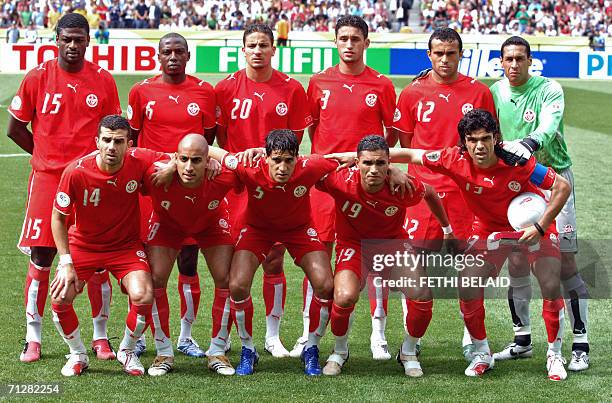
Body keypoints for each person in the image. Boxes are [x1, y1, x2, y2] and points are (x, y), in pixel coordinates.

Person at [388, 109, 571, 380]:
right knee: (468, 282)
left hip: (532, 226)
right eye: (472, 140)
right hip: (488, 230)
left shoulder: (517, 160)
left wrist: (541, 225)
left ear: (496, 138)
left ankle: (554, 354)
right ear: (464, 142)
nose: (479, 146)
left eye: (486, 138)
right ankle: (483, 352)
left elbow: (562, 187)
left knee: (550, 282)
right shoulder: (454, 159)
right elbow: (412, 154)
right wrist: (378, 161)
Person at [7, 13, 121, 363]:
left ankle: (101, 338)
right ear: (56, 39)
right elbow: (15, 127)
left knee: (98, 260)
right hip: (47, 181)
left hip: (90, 182)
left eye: (79, 39)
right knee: (43, 257)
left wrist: (85, 167)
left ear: (89, 41)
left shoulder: (102, 80)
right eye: (66, 39)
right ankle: (33, 337)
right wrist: (46, 156)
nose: (72, 45)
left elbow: (114, 132)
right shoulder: (38, 77)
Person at [391, 27, 497, 360]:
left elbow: (489, 144)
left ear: (460, 54)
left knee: (469, 268)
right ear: (429, 55)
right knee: (417, 267)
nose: (444, 59)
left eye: (451, 53)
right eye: (438, 53)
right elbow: (406, 144)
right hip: (421, 194)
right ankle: (413, 336)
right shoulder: (411, 92)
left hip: (466, 195)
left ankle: (472, 337)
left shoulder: (479, 92)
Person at [490, 36, 591, 371]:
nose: (514, 65)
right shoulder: (495, 92)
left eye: (520, 59)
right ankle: (522, 339)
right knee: (517, 262)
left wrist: (530, 142)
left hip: (555, 179)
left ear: (530, 60)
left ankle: (580, 342)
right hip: (516, 185)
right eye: (508, 59)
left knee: (565, 264)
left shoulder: (549, 89)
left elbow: (548, 125)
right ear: (501, 62)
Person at [301, 14, 398, 361]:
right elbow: (314, 130)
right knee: (317, 255)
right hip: (326, 186)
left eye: (355, 39)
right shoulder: (318, 82)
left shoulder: (382, 85)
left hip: (368, 185)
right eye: (343, 38)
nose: (349, 44)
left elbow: (392, 134)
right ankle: (309, 332)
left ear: (366, 43)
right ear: (335, 41)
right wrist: (333, 162)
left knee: (376, 259)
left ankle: (378, 333)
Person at [207, 129, 340, 376]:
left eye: (289, 160)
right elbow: (213, 149)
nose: (282, 167)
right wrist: (211, 160)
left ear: (297, 159)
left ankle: (311, 348)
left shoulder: (310, 166)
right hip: (258, 230)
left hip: (299, 229)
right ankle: (248, 350)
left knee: (325, 284)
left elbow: (349, 158)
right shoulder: (249, 166)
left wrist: (392, 169)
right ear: (265, 158)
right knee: (237, 285)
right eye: (276, 159)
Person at [214, 23, 312, 358]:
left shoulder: (292, 89)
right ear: (243, 49)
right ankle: (226, 334)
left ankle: (272, 335)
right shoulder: (225, 88)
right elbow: (221, 139)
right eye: (252, 45)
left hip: (276, 187)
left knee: (273, 260)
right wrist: (243, 164)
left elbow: (295, 141)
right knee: (230, 263)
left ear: (274, 49)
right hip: (237, 187)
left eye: (264, 45)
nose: (258, 50)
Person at [319, 135, 453, 377]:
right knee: (344, 296)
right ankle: (339, 351)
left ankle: (408, 352)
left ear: (389, 164)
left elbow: (431, 193)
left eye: (381, 164)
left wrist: (447, 230)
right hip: (354, 245)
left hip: (392, 245)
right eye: (367, 163)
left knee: (422, 295)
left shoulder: (401, 186)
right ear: (356, 162)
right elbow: (307, 166)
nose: (373, 170)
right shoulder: (339, 179)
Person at [49, 115, 168, 376]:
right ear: (97, 142)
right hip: (84, 245)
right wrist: (66, 262)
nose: (111, 147)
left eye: (118, 141)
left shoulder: (139, 160)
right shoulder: (76, 171)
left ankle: (126, 350)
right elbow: (58, 218)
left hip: (125, 246)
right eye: (106, 140)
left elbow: (180, 154)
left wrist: (175, 167)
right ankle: (78, 353)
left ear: (129, 144)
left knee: (143, 296)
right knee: (60, 297)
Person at [127, 32, 217, 359]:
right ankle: (140, 334)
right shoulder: (141, 92)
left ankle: (186, 336)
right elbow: (132, 141)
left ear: (188, 55)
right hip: (153, 190)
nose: (173, 57)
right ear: (158, 56)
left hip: (191, 187)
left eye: (179, 51)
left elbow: (207, 140)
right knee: (147, 264)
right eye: (167, 52)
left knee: (189, 263)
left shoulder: (204, 92)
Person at [141, 134, 236, 376]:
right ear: (174, 158)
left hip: (211, 223)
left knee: (226, 281)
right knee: (156, 280)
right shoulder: (156, 173)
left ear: (207, 161)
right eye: (183, 159)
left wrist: (216, 156)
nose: (189, 167)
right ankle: (163, 352)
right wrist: (171, 165)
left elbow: (237, 161)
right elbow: (127, 157)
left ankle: (217, 351)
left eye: (197, 160)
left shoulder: (221, 175)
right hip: (168, 224)